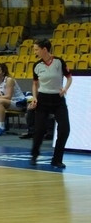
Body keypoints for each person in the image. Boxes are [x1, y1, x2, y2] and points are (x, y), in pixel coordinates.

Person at [29, 38, 72, 168]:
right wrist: (34, 97)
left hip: (58, 99)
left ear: (44, 49)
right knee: (40, 130)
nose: (35, 52)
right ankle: (34, 155)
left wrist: (65, 89)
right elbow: (35, 84)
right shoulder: (37, 65)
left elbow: (69, 78)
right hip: (43, 99)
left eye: (36, 49)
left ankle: (57, 159)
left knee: (64, 129)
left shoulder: (59, 62)